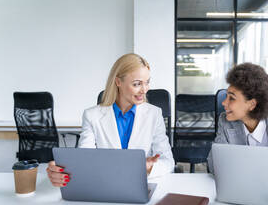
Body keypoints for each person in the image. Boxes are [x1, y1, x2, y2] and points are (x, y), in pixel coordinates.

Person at [47, 53, 174, 187]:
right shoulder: (92, 116)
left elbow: (168, 162)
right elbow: (84, 159)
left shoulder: (154, 114)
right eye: (137, 84)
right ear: (118, 82)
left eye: (147, 82)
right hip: (105, 186)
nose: (144, 90)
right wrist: (61, 171)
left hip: (141, 185)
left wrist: (149, 167)